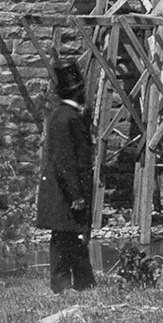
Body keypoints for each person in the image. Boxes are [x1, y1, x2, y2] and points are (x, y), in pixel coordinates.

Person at [36, 61, 97, 294]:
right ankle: (62, 286)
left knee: (74, 238)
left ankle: (84, 283)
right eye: (81, 89)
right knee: (64, 239)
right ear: (76, 91)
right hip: (66, 192)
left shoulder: (66, 116)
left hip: (69, 191)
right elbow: (64, 161)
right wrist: (76, 195)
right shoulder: (65, 118)